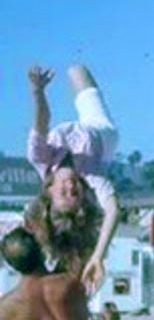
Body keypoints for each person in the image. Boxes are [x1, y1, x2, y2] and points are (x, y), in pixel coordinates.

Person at [24, 65, 120, 292]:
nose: (71, 186)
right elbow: (113, 209)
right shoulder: (91, 175)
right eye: (76, 193)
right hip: (102, 134)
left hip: (76, 133)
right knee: (78, 70)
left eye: (64, 192)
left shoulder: (40, 158)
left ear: (48, 190)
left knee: (73, 72)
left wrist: (38, 92)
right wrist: (98, 256)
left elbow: (42, 124)